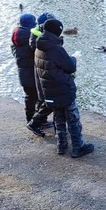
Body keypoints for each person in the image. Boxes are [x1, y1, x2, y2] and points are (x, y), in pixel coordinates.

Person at [35, 18, 94, 158]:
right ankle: (78, 147)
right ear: (57, 31)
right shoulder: (55, 49)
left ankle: (61, 146)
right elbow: (70, 67)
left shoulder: (39, 47)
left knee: (58, 119)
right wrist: (74, 58)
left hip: (49, 90)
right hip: (63, 89)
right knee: (73, 118)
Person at [25, 12, 55, 135]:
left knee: (44, 100)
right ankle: (34, 123)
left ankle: (40, 121)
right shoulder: (40, 40)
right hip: (43, 74)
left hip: (42, 73)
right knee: (49, 101)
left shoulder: (38, 37)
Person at [11, 13, 40, 126]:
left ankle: (30, 119)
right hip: (32, 72)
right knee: (37, 98)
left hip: (23, 73)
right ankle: (36, 122)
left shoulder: (16, 39)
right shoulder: (30, 38)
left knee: (29, 97)